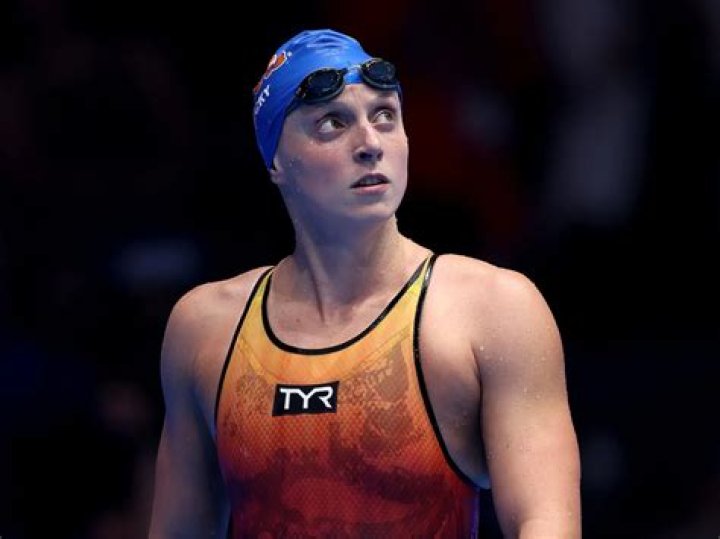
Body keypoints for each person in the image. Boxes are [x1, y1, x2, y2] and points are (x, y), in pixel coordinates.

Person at [149, 28, 581, 538]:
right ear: (276, 160)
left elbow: (546, 522)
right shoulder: (205, 330)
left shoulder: (492, 311)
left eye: (384, 116)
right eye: (333, 123)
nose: (370, 144)